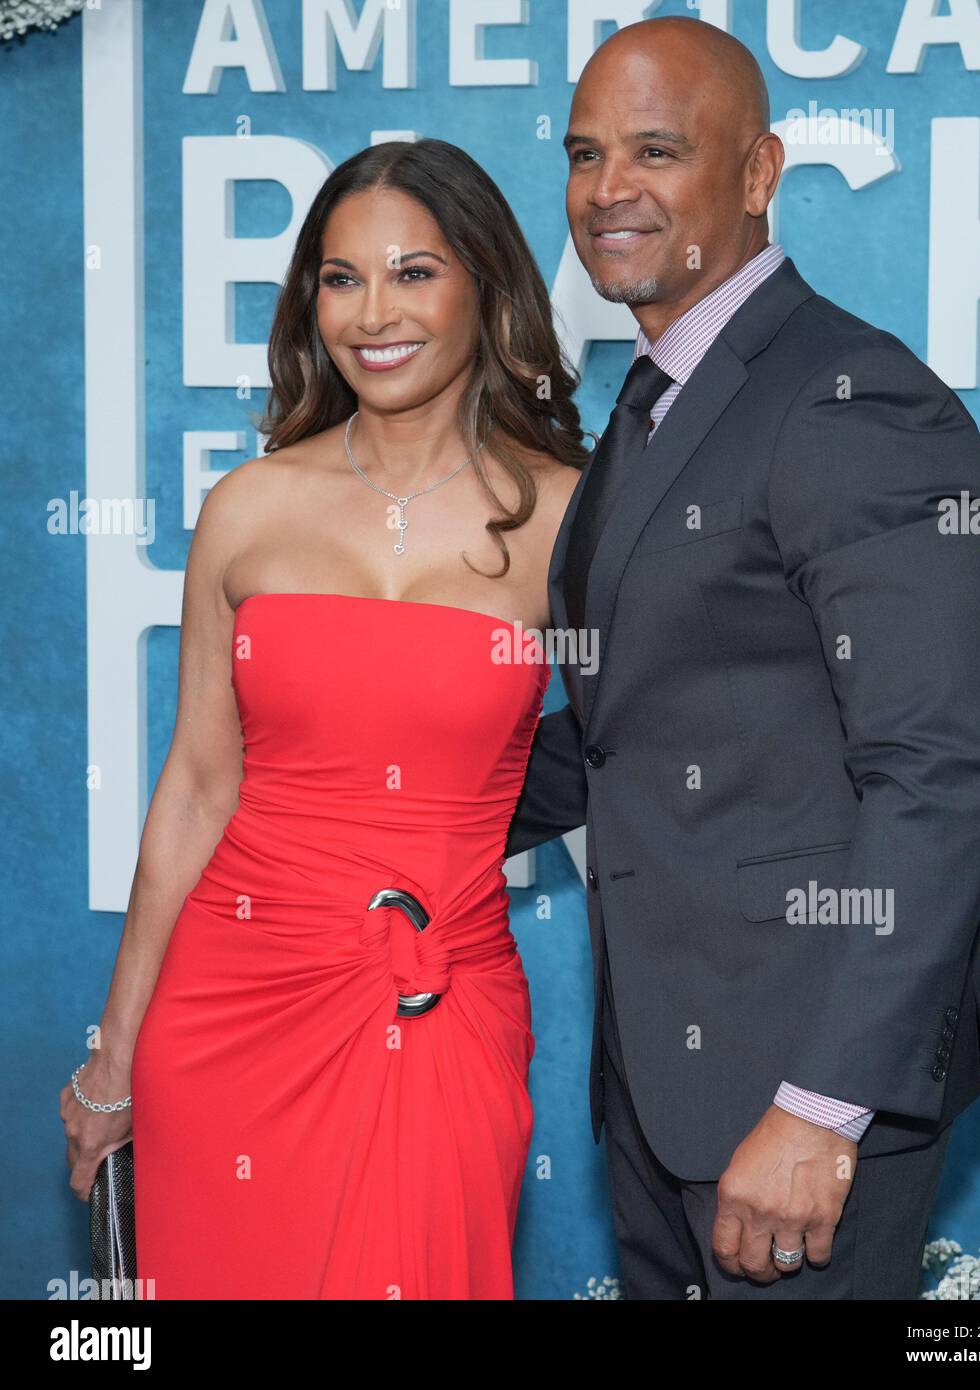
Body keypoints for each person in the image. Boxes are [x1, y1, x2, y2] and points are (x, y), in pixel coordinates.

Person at [505, 16, 980, 1300]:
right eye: (583, 152)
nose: (606, 188)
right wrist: (374, 808)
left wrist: (819, 1108)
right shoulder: (657, 389)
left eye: (656, 150)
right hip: (659, 1091)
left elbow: (938, 774)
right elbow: (624, 723)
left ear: (756, 172)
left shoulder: (849, 396)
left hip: (791, 1105)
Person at [60, 139, 586, 1299]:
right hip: (230, 1003)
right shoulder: (249, 507)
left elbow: (646, 751)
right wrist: (115, 1053)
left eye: (413, 272)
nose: (371, 313)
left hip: (439, 1003)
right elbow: (197, 787)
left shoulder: (567, 519)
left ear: (485, 288)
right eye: (339, 279)